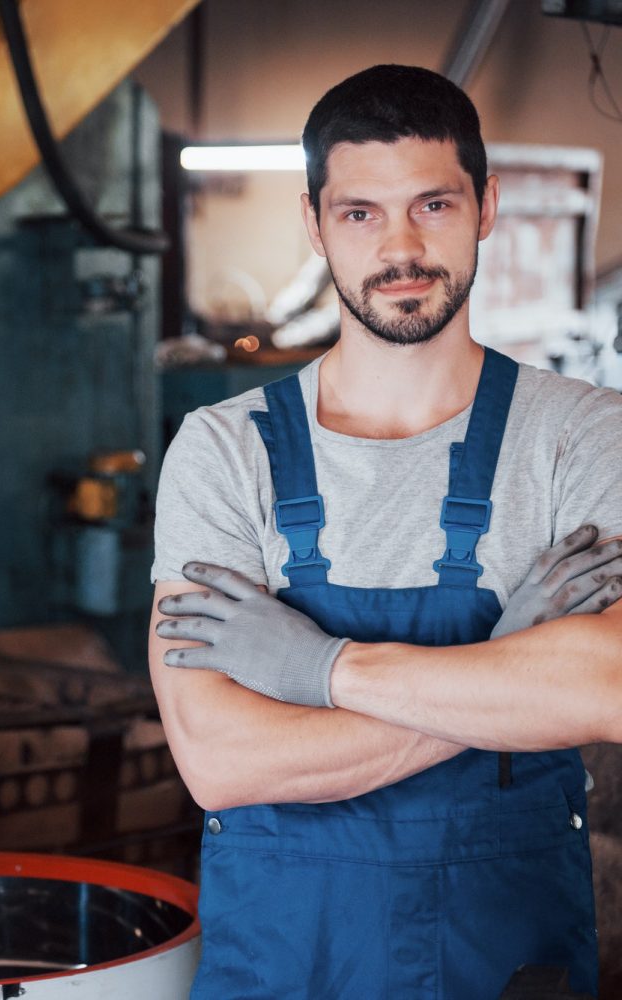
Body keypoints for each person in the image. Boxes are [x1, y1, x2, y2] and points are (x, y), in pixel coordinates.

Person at [149, 64, 622, 1000]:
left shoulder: (582, 434)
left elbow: (606, 687)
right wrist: (508, 662)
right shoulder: (222, 450)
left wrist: (319, 670)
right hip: (289, 969)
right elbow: (222, 759)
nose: (400, 248)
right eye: (361, 213)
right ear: (315, 224)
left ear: (485, 207)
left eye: (433, 205)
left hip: (507, 962)